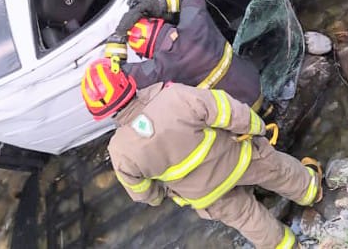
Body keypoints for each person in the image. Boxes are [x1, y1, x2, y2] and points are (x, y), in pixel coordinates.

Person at [81, 58, 321, 249]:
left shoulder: (119, 151)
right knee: (276, 170)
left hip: (205, 195)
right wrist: (256, 127)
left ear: (101, 112)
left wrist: (164, 193)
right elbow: (226, 110)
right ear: (127, 81)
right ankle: (310, 191)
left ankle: (286, 245)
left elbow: (145, 195)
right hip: (238, 160)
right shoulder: (173, 96)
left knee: (247, 218)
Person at [102, 0, 265, 111]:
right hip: (255, 81)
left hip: (238, 110)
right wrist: (156, 4)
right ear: (160, 23)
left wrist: (119, 35)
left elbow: (115, 74)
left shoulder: (160, 69)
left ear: (145, 53)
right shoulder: (195, 24)